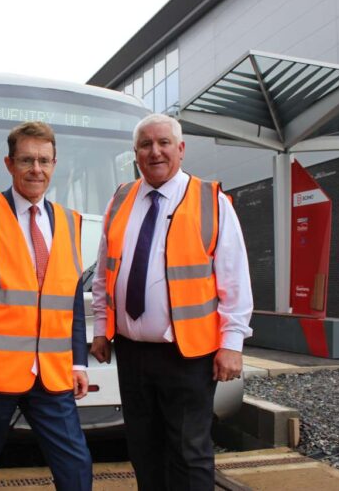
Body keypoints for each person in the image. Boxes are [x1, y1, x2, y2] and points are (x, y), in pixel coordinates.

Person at [90, 113, 253, 490]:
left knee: (189, 452)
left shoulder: (211, 201)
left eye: (164, 143)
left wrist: (232, 344)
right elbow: (104, 274)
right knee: (143, 447)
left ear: (180, 149)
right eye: (145, 144)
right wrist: (101, 329)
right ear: (135, 154)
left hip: (188, 354)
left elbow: (235, 278)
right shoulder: (120, 200)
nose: (155, 151)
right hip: (131, 352)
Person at [0, 121, 92, 491]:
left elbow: (70, 299)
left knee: (77, 469)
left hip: (52, 374)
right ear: (9, 164)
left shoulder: (70, 222)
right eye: (27, 160)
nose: (36, 169)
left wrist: (77, 361)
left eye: (44, 160)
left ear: (55, 164)